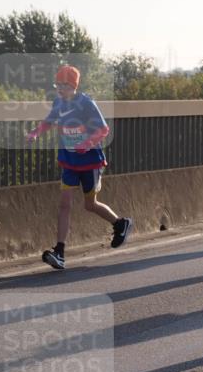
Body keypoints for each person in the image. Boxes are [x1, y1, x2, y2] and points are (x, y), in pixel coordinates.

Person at [26, 65, 133, 269]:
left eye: (65, 85)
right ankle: (59, 252)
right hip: (69, 161)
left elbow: (103, 129)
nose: (60, 89)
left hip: (90, 162)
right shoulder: (58, 102)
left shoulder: (86, 104)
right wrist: (36, 133)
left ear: (74, 86)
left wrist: (87, 144)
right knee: (65, 204)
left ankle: (120, 223)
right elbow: (48, 122)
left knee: (89, 205)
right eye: (58, 85)